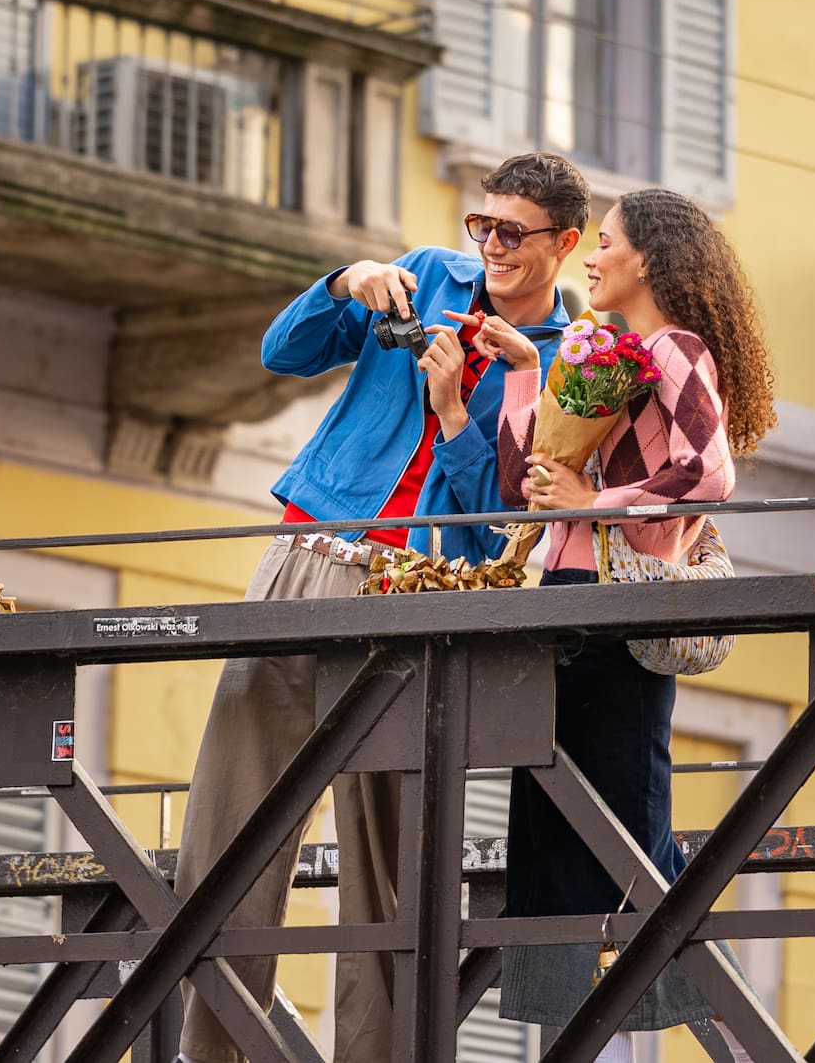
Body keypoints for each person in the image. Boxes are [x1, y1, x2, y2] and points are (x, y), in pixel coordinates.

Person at [172, 153, 591, 1063]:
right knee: (227, 829)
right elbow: (280, 352)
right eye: (484, 225)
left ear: (565, 243)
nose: (491, 248)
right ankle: (207, 1054)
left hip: (419, 598)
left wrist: (453, 414)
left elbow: (498, 534)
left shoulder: (568, 363)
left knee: (388, 872)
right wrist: (342, 284)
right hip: (309, 557)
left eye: (513, 233)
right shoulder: (429, 273)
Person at [474, 187, 777, 1063]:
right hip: (567, 608)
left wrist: (594, 501)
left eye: (604, 242)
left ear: (648, 258)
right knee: (555, 831)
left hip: (617, 610)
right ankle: (587, 1027)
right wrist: (529, 374)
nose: (593, 257)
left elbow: (708, 476)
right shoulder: (603, 352)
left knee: (624, 837)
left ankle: (683, 1003)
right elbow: (519, 484)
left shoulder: (677, 350)